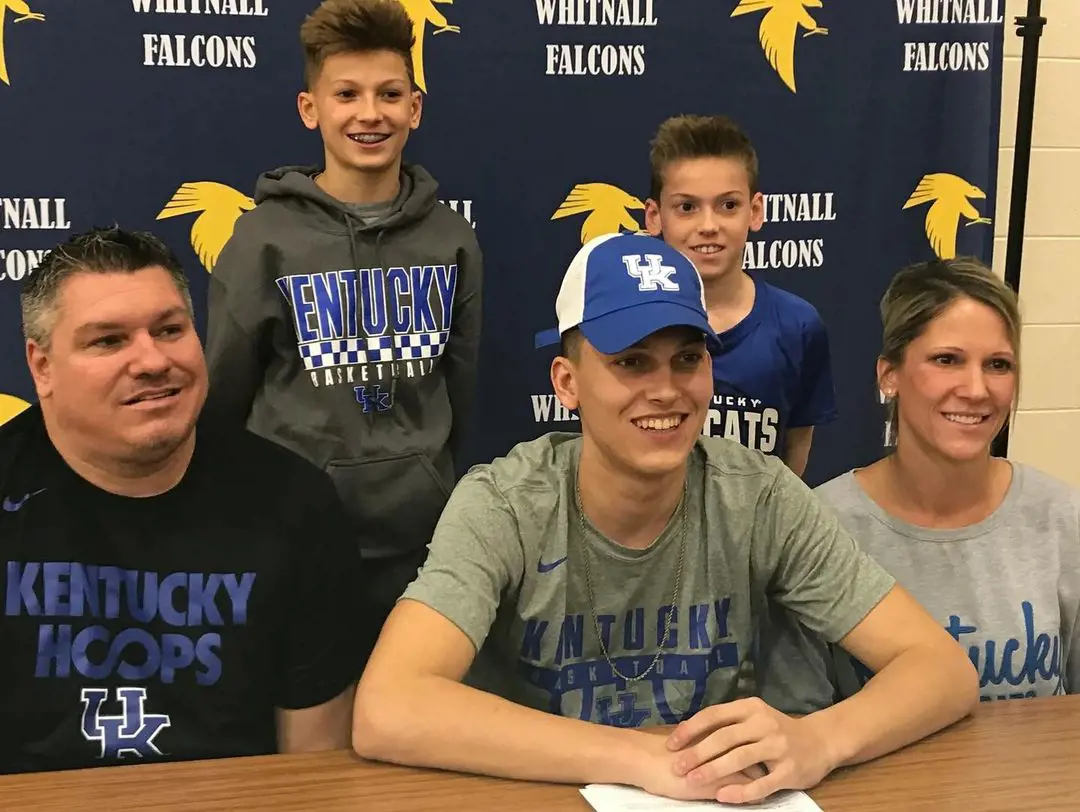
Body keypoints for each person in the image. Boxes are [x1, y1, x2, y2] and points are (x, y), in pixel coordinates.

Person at [351, 232, 978, 804]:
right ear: (567, 383)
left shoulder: (757, 494)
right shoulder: (506, 502)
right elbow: (388, 706)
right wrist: (637, 756)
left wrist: (819, 741)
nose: (667, 389)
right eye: (631, 362)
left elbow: (942, 672)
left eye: (687, 359)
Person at [0, 227, 365, 774]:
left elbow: (314, 767)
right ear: (42, 366)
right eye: (108, 340)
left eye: (170, 330)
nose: (151, 361)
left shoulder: (295, 503)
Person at [203, 0, 484, 649]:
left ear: (414, 107)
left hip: (418, 541)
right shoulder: (264, 239)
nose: (369, 113)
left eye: (389, 94)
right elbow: (225, 391)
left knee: (408, 727)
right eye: (347, 94)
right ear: (311, 109)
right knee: (305, 739)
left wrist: (427, 478)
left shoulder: (453, 240)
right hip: (294, 534)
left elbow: (459, 387)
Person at [757, 257, 1080, 711]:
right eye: (946, 360)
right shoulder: (817, 528)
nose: (975, 388)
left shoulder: (1063, 518)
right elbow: (798, 726)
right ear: (889, 375)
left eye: (998, 365)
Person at [644, 114, 836, 479]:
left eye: (728, 205)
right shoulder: (626, 324)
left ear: (756, 211)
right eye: (687, 207)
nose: (708, 226)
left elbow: (797, 444)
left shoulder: (798, 326)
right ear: (654, 216)